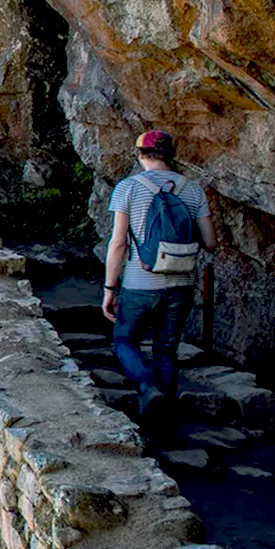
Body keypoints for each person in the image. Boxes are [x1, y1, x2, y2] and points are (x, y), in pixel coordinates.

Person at [101, 130, 216, 417]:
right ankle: (165, 418)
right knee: (166, 350)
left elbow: (118, 244)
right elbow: (211, 242)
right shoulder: (193, 190)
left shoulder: (128, 188)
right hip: (182, 282)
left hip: (141, 283)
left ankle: (147, 390)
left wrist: (109, 289)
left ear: (140, 155)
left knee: (125, 340)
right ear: (171, 155)